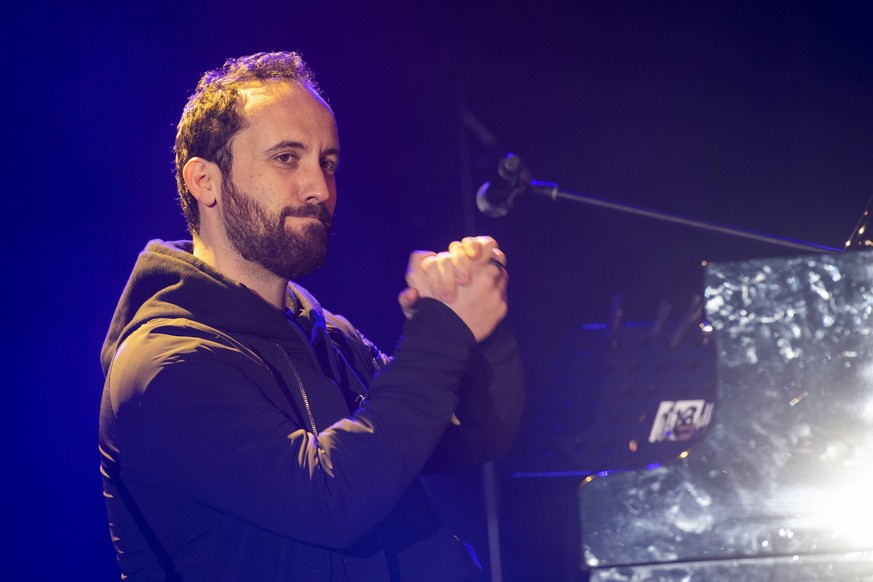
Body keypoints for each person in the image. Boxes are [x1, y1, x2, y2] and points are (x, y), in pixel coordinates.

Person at [98, 51, 523, 581]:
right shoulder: (164, 365)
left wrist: (474, 325)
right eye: (286, 158)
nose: (320, 188)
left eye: (328, 162)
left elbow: (473, 434)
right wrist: (441, 334)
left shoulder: (329, 337)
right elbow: (330, 499)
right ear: (204, 181)